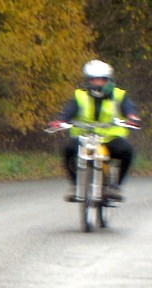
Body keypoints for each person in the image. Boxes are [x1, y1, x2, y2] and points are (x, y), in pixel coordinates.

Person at [49, 60, 140, 202]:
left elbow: (129, 109)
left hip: (110, 138)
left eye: (102, 79)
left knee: (127, 150)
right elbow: (69, 111)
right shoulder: (80, 95)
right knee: (68, 150)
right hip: (85, 137)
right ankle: (75, 186)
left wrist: (131, 117)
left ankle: (115, 187)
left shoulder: (119, 95)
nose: (98, 83)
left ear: (109, 80)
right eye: (94, 79)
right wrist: (61, 121)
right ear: (87, 80)